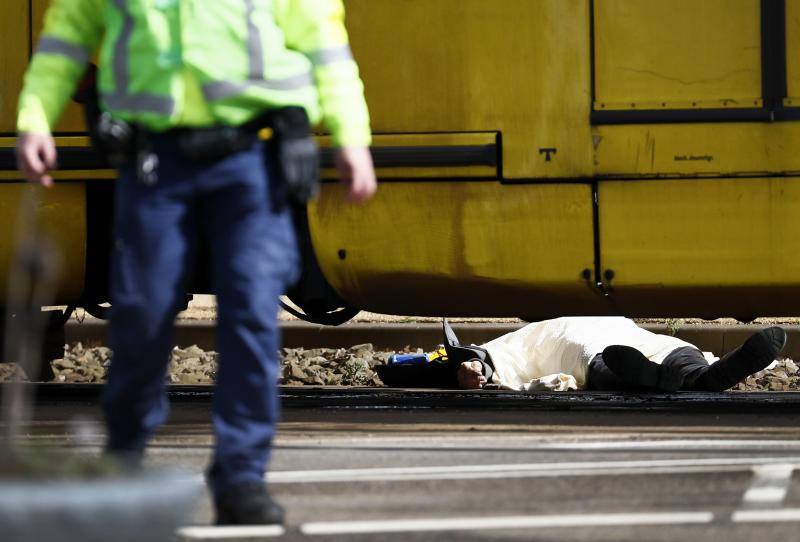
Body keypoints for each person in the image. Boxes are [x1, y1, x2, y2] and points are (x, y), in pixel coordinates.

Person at [15, 0, 376, 526]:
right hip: (155, 161)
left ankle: (240, 477)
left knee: (251, 313)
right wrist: (34, 117)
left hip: (252, 157)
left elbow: (325, 42)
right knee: (142, 313)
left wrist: (351, 134)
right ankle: (123, 461)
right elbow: (66, 34)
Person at [445, 317, 787, 392]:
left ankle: (652, 382)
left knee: (606, 368)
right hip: (656, 345)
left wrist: (479, 368)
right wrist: (479, 365)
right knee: (687, 361)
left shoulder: (543, 329)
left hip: (598, 354)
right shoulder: (620, 320)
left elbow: (498, 356)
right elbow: (489, 358)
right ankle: (711, 376)